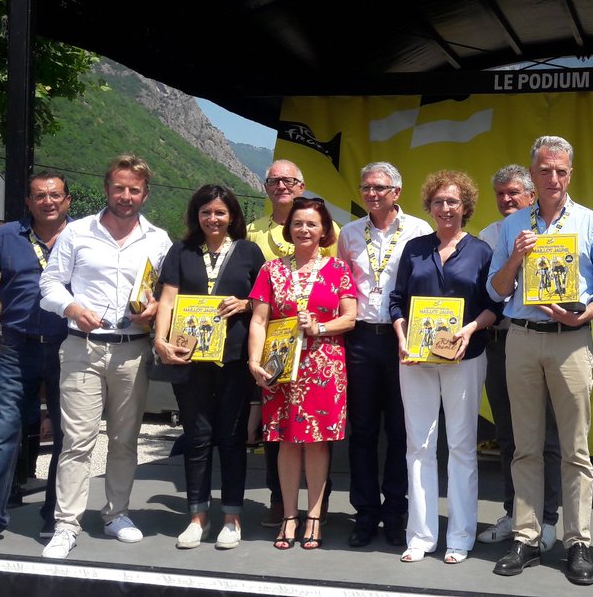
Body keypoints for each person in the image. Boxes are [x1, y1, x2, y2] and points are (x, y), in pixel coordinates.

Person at [488, 135, 593, 586]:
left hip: (571, 341)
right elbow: (497, 290)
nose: (553, 178)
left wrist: (584, 313)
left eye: (561, 171)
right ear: (534, 174)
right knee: (525, 445)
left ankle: (577, 541)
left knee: (575, 449)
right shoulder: (512, 226)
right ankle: (525, 537)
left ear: (571, 174)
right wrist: (515, 258)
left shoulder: (592, 223)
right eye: (545, 170)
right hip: (522, 338)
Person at [38, 154, 172, 559]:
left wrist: (153, 312)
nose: (125, 196)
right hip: (83, 346)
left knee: (124, 440)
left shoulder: (159, 239)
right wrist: (71, 308)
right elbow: (49, 283)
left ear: (145, 194)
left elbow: (166, 293)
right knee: (77, 441)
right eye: (119, 188)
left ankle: (116, 514)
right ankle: (66, 524)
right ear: (106, 188)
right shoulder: (77, 232)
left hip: (132, 350)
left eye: (134, 189)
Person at [388, 170, 504, 564]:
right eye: (438, 202)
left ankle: (460, 535)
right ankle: (420, 535)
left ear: (465, 206)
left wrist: (470, 329)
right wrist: (402, 336)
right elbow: (397, 300)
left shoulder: (481, 251)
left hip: (464, 358)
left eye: (453, 201)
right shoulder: (414, 248)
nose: (445, 208)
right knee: (417, 445)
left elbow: (494, 305)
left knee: (461, 446)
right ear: (430, 207)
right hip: (415, 358)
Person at [0, 171, 72, 548]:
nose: (48, 201)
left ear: (67, 200)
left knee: (67, 436)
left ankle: (56, 517)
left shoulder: (84, 237)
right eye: (40, 196)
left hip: (68, 347)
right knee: (0, 433)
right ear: (28, 202)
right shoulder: (7, 235)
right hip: (16, 347)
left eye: (55, 195)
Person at [153, 185, 265, 550]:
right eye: (206, 212)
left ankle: (232, 517)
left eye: (219, 212)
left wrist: (246, 305)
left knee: (232, 439)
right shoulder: (181, 251)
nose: (213, 219)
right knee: (197, 437)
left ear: (232, 215)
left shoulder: (249, 252)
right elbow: (168, 299)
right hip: (190, 358)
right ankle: (197, 516)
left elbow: (265, 302)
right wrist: (160, 339)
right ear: (195, 215)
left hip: (234, 359)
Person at [247, 197, 357, 550]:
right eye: (298, 223)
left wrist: (321, 328)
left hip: (323, 365)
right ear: (288, 229)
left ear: (324, 230)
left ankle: (313, 516)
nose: (304, 230)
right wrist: (253, 361)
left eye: (312, 224)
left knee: (316, 442)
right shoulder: (271, 270)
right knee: (286, 442)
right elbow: (259, 320)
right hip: (280, 366)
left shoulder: (338, 269)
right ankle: (288, 516)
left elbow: (350, 317)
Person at [337, 162, 433, 547]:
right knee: (361, 431)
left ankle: (396, 512)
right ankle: (365, 513)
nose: (372, 194)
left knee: (399, 429)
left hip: (402, 338)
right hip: (360, 338)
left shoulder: (418, 230)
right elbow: (343, 287)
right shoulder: (347, 233)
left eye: (380, 187)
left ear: (397, 191)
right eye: (366, 187)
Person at [477, 165, 563, 551]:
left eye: (513, 193)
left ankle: (547, 519)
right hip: (501, 343)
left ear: (532, 195)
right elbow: (490, 295)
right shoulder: (488, 236)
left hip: (544, 338)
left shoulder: (555, 230)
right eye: (500, 194)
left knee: (547, 437)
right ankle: (514, 513)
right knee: (509, 436)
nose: (506, 200)